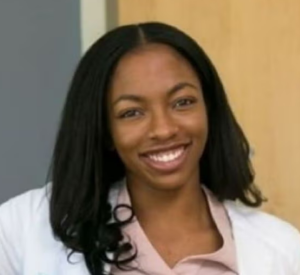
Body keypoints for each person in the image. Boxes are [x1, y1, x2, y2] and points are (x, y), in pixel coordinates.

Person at [0, 22, 299, 275]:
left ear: (210, 110)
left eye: (182, 102)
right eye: (131, 112)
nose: (164, 129)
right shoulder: (22, 228)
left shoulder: (282, 249)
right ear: (104, 130)